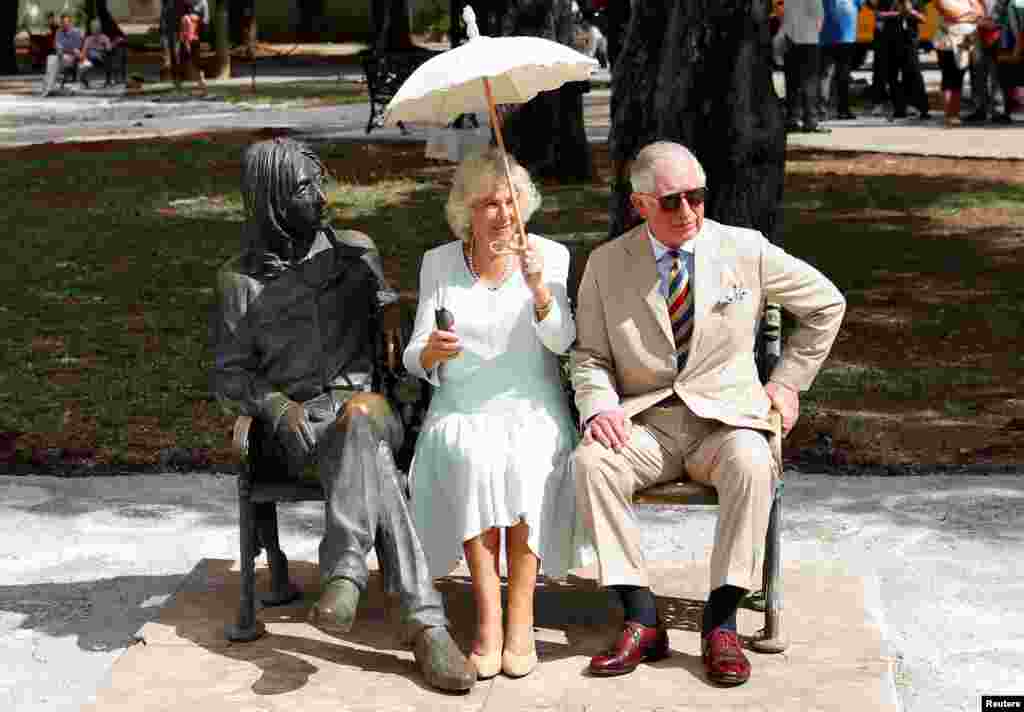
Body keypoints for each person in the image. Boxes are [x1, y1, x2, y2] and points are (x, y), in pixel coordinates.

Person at [570, 142, 845, 686]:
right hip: (646, 422)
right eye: (673, 201)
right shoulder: (607, 264)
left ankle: (721, 619)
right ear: (640, 205)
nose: (690, 211)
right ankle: (642, 617)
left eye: (698, 196)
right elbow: (589, 355)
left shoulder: (746, 249)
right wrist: (599, 404)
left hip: (727, 422)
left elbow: (826, 305)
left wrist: (787, 384)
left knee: (752, 462)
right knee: (591, 463)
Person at [210, 138, 476, 693]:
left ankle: (348, 568)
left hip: (374, 409)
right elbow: (230, 377)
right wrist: (277, 408)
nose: (323, 196)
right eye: (308, 188)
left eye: (321, 181)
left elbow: (391, 356)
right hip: (302, 429)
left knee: (362, 417)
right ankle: (425, 627)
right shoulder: (239, 282)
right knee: (373, 462)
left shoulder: (355, 251)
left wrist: (389, 321)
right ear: (274, 199)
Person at [402, 147, 586, 680]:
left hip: (532, 399)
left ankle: (522, 618)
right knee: (472, 456)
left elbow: (563, 342)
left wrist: (539, 292)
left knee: (530, 457)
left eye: (510, 201)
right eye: (488, 203)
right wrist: (433, 351)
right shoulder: (438, 262)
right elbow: (415, 354)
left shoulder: (549, 256)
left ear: (524, 204)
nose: (502, 214)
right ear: (466, 211)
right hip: (462, 402)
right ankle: (488, 618)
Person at [870, 0, 932, 120]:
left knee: (914, 74)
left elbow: (923, 19)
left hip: (909, 41)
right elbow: (878, 15)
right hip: (889, 42)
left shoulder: (915, 1)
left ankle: (921, 107)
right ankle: (899, 108)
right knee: (893, 76)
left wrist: (911, 12)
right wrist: (898, 14)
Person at [933, 0, 983, 126]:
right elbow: (954, 15)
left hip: (965, 42)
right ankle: (949, 115)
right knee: (949, 78)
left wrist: (966, 17)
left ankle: (955, 114)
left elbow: (980, 13)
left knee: (958, 78)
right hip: (948, 42)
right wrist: (971, 15)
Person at [783, 0, 831, 132]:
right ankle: (810, 121)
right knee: (809, 83)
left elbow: (785, 15)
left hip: (790, 40)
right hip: (808, 40)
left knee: (792, 83)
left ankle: (792, 119)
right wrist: (815, 33)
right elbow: (819, 16)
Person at [820, 0, 865, 120]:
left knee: (826, 75)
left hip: (827, 37)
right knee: (842, 76)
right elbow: (860, 6)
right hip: (845, 37)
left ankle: (822, 111)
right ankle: (843, 110)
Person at [79, 19, 112, 89]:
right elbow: (84, 51)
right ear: (91, 29)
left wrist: (105, 46)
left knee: (107, 58)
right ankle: (84, 81)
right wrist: (84, 58)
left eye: (97, 27)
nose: (95, 29)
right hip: (91, 59)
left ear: (100, 29)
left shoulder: (104, 38)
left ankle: (108, 81)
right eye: (93, 27)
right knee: (89, 55)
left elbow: (109, 49)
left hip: (102, 59)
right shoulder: (88, 39)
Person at [54, 13, 83, 81]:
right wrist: (60, 49)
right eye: (62, 22)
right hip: (63, 54)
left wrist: (67, 50)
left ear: (70, 23)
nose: (64, 24)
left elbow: (77, 47)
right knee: (57, 57)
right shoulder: (58, 32)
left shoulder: (76, 31)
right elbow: (57, 45)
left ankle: (72, 75)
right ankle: (61, 77)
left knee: (75, 54)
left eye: (65, 22)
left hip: (75, 54)